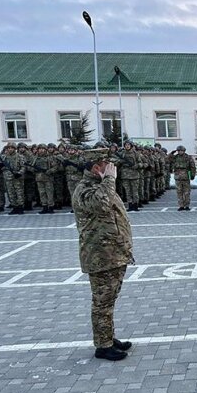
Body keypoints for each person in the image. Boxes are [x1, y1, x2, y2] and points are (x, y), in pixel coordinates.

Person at [72, 145, 134, 361]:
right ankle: (102, 346)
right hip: (100, 256)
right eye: (108, 165)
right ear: (97, 167)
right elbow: (101, 204)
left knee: (109, 299)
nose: (112, 169)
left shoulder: (99, 185)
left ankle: (108, 336)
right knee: (102, 301)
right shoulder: (85, 189)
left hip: (113, 253)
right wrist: (108, 179)